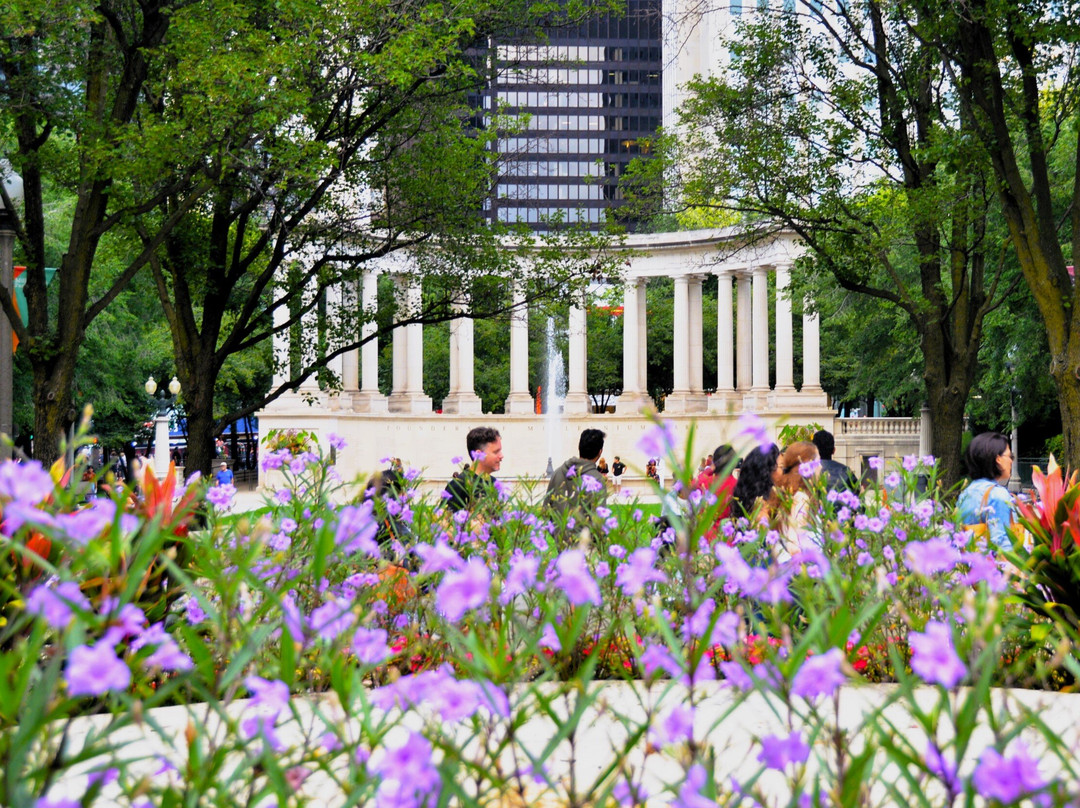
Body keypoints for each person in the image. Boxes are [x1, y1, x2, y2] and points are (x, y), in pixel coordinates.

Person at [956, 431, 1017, 551]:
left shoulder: (965, 494)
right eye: (1010, 456)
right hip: (993, 567)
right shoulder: (998, 494)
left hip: (969, 565)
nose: (1011, 461)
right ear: (998, 459)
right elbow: (1002, 543)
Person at [768, 441, 821, 557]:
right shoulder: (801, 499)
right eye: (818, 462)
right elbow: (794, 545)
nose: (821, 467)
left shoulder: (786, 494)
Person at [544, 428, 607, 517]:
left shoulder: (558, 472)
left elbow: (546, 509)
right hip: (584, 531)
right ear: (600, 452)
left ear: (579, 447)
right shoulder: (597, 480)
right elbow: (599, 520)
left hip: (558, 530)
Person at [443, 426, 503, 513]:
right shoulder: (459, 485)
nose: (501, 456)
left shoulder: (495, 483)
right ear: (479, 454)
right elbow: (446, 521)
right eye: (496, 452)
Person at [731, 444, 781, 521]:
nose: (783, 472)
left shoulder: (746, 500)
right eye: (781, 467)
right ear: (768, 472)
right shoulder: (763, 512)